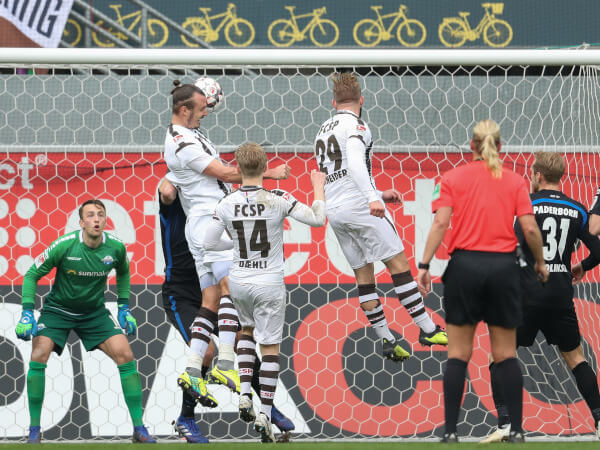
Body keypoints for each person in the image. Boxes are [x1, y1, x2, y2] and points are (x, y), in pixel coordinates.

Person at [416, 119, 549, 443]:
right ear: (500, 147)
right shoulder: (516, 181)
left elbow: (440, 223)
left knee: (459, 354)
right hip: (504, 269)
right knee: (505, 354)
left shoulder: (451, 178)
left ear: (471, 146)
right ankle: (516, 430)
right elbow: (530, 228)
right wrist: (541, 262)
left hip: (464, 268)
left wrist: (424, 264)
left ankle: (449, 432)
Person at [163, 82, 289, 412]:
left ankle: (193, 371)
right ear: (184, 109)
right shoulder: (180, 143)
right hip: (209, 220)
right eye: (201, 108)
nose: (206, 112)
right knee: (233, 288)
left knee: (212, 299)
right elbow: (223, 172)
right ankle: (226, 363)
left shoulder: (190, 135)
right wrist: (268, 173)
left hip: (204, 222)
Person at [313, 73, 447, 363]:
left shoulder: (323, 130)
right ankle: (427, 329)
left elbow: (336, 173)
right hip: (360, 205)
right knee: (398, 264)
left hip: (336, 211)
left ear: (333, 102)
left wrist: (379, 191)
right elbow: (356, 163)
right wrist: (372, 198)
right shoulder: (356, 125)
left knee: (364, 277)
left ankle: (387, 340)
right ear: (361, 100)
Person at [204, 142, 327, 442]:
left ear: (239, 167)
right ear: (264, 167)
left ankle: (245, 393)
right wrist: (318, 187)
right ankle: (266, 412)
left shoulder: (225, 203)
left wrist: (234, 243)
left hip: (240, 280)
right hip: (269, 281)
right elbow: (317, 218)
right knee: (270, 348)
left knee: (246, 332)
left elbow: (209, 243)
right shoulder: (279, 198)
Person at [158, 178, 295, 443]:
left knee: (244, 342)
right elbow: (166, 191)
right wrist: (178, 166)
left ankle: (267, 408)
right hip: (182, 293)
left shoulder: (217, 206)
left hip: (213, 287)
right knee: (208, 350)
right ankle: (186, 418)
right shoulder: (177, 201)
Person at [14, 199, 155, 444]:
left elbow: (123, 271)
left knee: (126, 355)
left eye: (100, 214)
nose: (96, 219)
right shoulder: (65, 245)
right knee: (39, 354)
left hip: (94, 313)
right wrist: (27, 312)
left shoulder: (115, 248)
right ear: (81, 223)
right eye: (90, 215)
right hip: (58, 310)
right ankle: (34, 430)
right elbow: (31, 274)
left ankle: (139, 429)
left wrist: (124, 307)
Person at [482, 152, 600, 442]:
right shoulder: (578, 210)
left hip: (526, 294)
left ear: (537, 176)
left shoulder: (525, 205)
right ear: (560, 176)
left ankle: (507, 423)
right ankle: (599, 420)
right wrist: (581, 266)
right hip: (560, 296)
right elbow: (598, 251)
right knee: (576, 359)